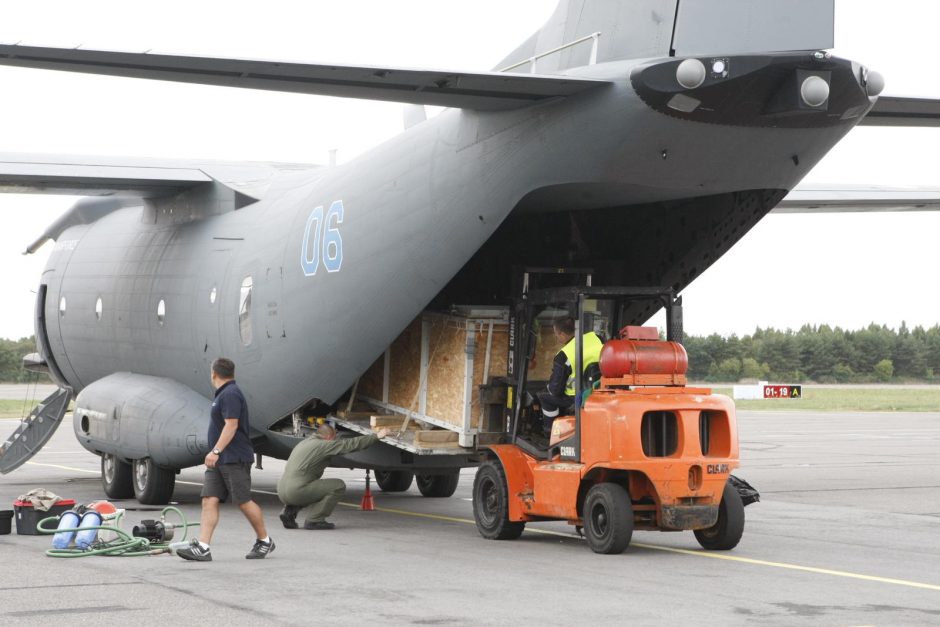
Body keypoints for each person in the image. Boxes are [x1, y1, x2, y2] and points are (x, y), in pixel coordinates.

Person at [177, 358, 274, 561]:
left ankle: (265, 540)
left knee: (243, 501)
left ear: (214, 373)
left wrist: (216, 451)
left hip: (233, 457)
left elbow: (231, 425)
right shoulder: (223, 393)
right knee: (209, 499)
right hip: (220, 460)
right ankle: (203, 547)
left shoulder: (230, 394)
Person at [277, 423, 390, 530]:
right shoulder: (324, 445)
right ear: (329, 437)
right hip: (296, 491)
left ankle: (289, 512)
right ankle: (314, 520)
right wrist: (377, 436)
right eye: (334, 438)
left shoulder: (304, 443)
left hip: (282, 491)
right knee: (337, 486)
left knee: (313, 487)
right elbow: (350, 445)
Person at [536, 317, 604, 434]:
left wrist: (548, 388)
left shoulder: (563, 356)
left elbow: (555, 390)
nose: (556, 337)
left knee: (544, 397)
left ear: (562, 334)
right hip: (599, 390)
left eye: (556, 334)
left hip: (576, 397)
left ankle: (550, 432)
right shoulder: (596, 338)